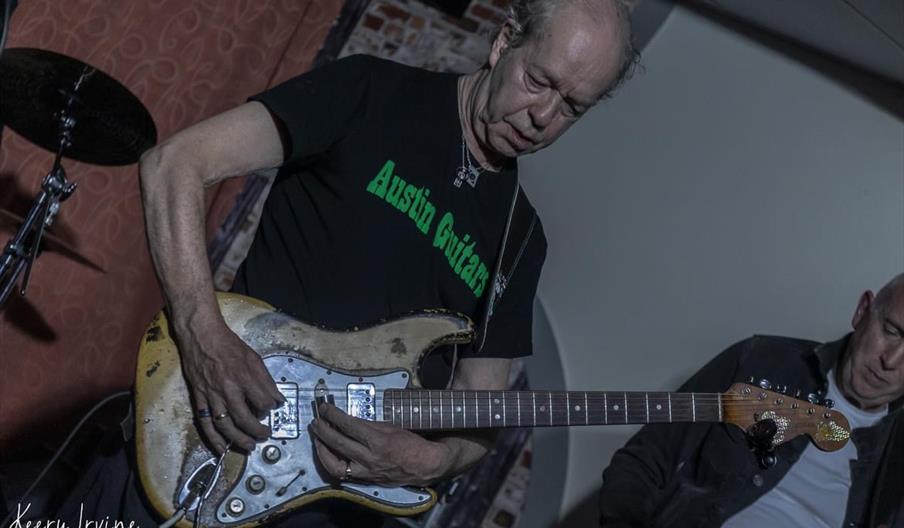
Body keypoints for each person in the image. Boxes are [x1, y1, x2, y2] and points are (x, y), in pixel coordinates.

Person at [24, 1, 638, 527]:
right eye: (539, 80)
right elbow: (174, 164)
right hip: (213, 437)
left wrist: (432, 461)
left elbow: (481, 404)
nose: (543, 116)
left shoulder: (520, 238)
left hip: (334, 505)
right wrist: (202, 335)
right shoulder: (370, 92)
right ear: (504, 41)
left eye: (572, 106)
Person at [599, 273, 904, 528]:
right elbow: (645, 459)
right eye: (890, 331)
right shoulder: (760, 360)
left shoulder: (895, 448)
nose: (890, 361)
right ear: (863, 311)